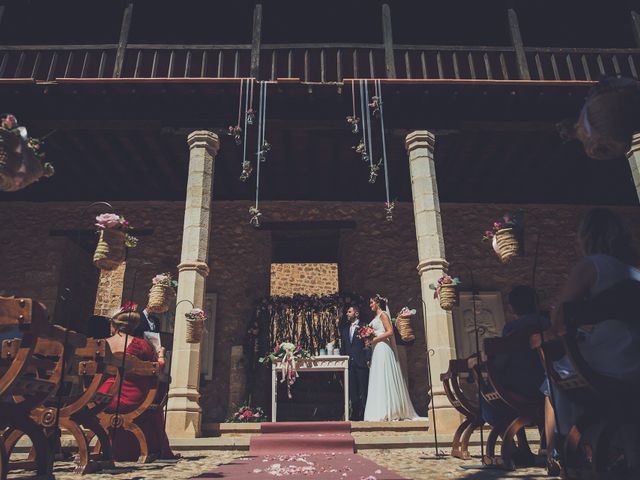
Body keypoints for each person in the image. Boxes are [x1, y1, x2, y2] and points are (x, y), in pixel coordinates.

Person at [548, 208, 640, 437]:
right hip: (635, 355)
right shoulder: (634, 269)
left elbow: (559, 318)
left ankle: (560, 447)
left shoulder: (593, 265)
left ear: (586, 236)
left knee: (555, 372)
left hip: (615, 362)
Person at [478, 286, 549, 467]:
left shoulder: (512, 328)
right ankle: (543, 443)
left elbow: (502, 361)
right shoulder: (547, 323)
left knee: (489, 394)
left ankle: (520, 448)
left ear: (512, 308)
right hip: (549, 384)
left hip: (521, 388)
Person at [97, 302, 178, 461]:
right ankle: (148, 447)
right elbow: (156, 369)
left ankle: (111, 448)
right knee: (154, 405)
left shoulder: (103, 343)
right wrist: (161, 354)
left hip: (101, 397)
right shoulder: (142, 345)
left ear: (114, 325)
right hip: (134, 396)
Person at [363, 294, 422, 421]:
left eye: (372, 302)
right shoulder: (375, 317)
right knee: (378, 376)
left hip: (383, 347)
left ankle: (390, 409)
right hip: (377, 348)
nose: (370, 305)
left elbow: (390, 332)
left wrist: (374, 339)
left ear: (377, 303)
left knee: (385, 375)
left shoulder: (383, 315)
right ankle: (379, 409)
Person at [340, 305, 370, 421]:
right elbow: (344, 347)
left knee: (363, 389)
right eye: (347, 312)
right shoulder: (345, 329)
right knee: (352, 390)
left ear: (356, 313)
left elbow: (367, 344)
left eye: (349, 312)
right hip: (350, 364)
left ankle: (364, 412)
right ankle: (355, 412)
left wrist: (367, 358)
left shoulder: (363, 326)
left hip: (361, 362)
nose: (347, 314)